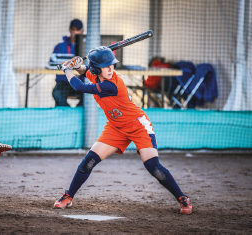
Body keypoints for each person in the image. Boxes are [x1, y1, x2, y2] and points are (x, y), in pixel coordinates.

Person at [53, 47, 193, 214]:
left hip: (137, 126)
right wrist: (77, 66)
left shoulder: (110, 84)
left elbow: (79, 87)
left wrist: (67, 69)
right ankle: (68, 196)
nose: (111, 69)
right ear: (97, 69)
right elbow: (87, 72)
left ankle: (182, 197)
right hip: (116, 127)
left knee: (153, 166)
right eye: (106, 66)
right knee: (88, 161)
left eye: (112, 65)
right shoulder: (97, 74)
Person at [46, 19, 85, 107]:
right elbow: (52, 64)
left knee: (90, 94)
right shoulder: (60, 47)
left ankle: (79, 115)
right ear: (69, 30)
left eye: (77, 29)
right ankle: (67, 114)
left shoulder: (87, 47)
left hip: (81, 83)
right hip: (64, 83)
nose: (75, 32)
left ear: (82, 31)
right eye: (73, 29)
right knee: (57, 93)